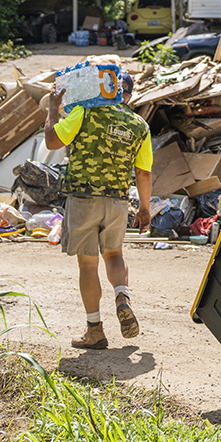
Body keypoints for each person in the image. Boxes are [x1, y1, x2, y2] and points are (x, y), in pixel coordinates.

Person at [46, 70, 153, 350]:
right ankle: (122, 296)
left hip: (83, 199)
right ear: (127, 94)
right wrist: (144, 209)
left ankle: (95, 330)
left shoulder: (84, 111)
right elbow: (143, 173)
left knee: (88, 263)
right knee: (114, 254)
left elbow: (52, 142)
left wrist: (52, 108)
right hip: (118, 201)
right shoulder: (139, 125)